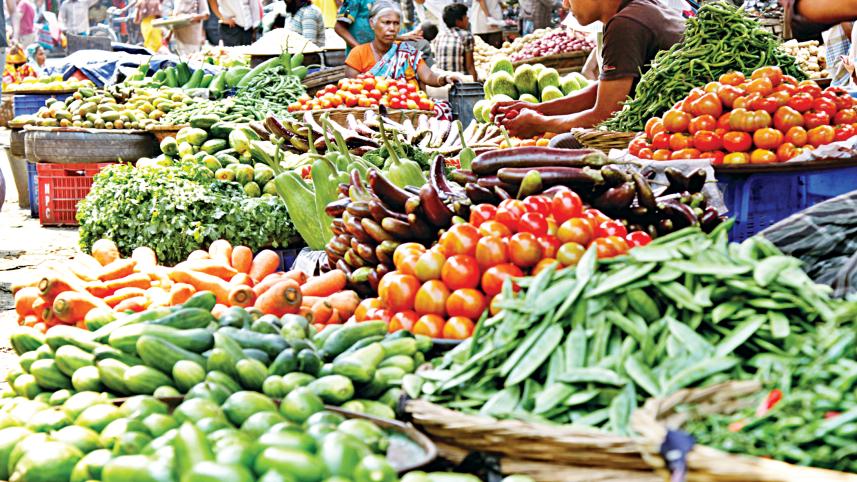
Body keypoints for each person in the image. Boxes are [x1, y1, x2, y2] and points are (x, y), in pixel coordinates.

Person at [494, 0, 684, 137]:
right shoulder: (638, 9)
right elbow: (605, 91)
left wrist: (540, 123)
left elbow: (604, 114)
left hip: (675, 133)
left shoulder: (626, 24)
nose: (565, 5)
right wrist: (539, 108)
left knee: (561, 143)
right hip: (674, 126)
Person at [344, 2, 460, 87]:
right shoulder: (358, 54)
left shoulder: (408, 52)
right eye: (386, 22)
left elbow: (428, 76)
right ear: (372, 24)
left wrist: (444, 78)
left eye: (396, 23)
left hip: (407, 106)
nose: (392, 28)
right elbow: (353, 90)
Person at [433, 3, 477, 79]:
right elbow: (470, 67)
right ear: (458, 21)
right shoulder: (466, 36)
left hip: (441, 80)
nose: (468, 18)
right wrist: (476, 83)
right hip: (459, 81)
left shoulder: (439, 36)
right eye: (465, 16)